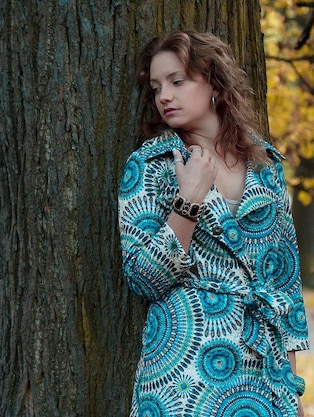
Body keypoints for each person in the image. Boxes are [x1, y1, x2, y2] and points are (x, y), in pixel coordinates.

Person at [118, 30, 310, 417]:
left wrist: (294, 393)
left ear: (215, 85)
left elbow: (283, 285)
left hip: (262, 374)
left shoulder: (267, 167)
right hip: (185, 375)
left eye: (177, 81)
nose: (164, 97)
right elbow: (143, 278)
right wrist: (188, 201)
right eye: (156, 88)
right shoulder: (150, 166)